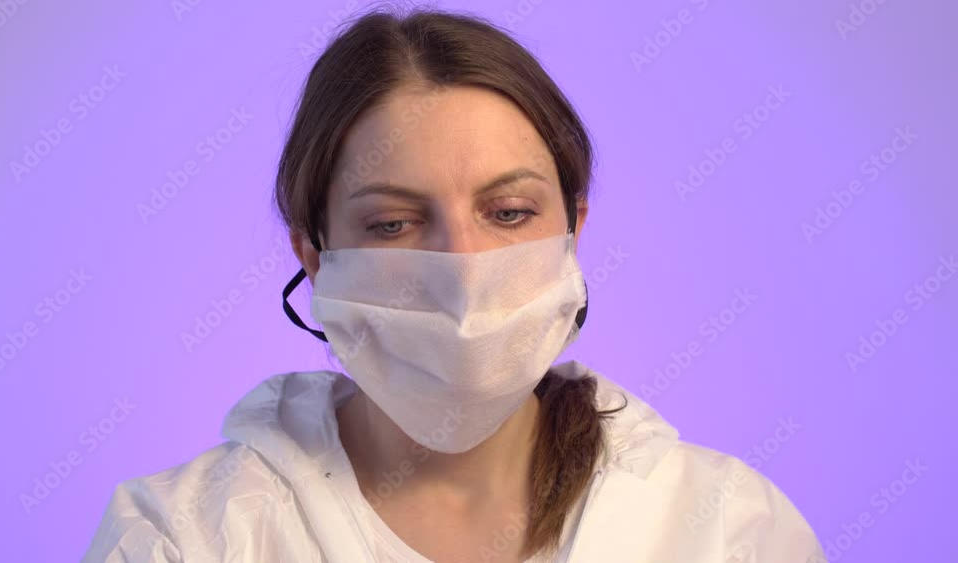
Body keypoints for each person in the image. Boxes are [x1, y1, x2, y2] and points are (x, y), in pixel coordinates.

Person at [83, 7, 825, 563]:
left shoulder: (726, 529)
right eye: (392, 224)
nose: (463, 268)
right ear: (314, 253)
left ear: (573, 229)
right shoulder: (184, 539)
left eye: (509, 212)